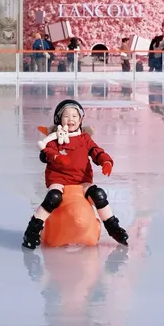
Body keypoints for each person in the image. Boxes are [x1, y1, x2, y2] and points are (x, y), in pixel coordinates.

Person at [22, 99, 129, 250]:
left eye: (75, 116)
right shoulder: (55, 139)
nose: (71, 119)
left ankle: (113, 228)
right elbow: (46, 153)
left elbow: (96, 152)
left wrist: (106, 162)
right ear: (59, 119)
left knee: (98, 195)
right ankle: (32, 230)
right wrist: (56, 157)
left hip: (81, 181)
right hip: (60, 180)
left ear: (80, 120)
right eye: (67, 116)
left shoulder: (84, 139)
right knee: (54, 197)